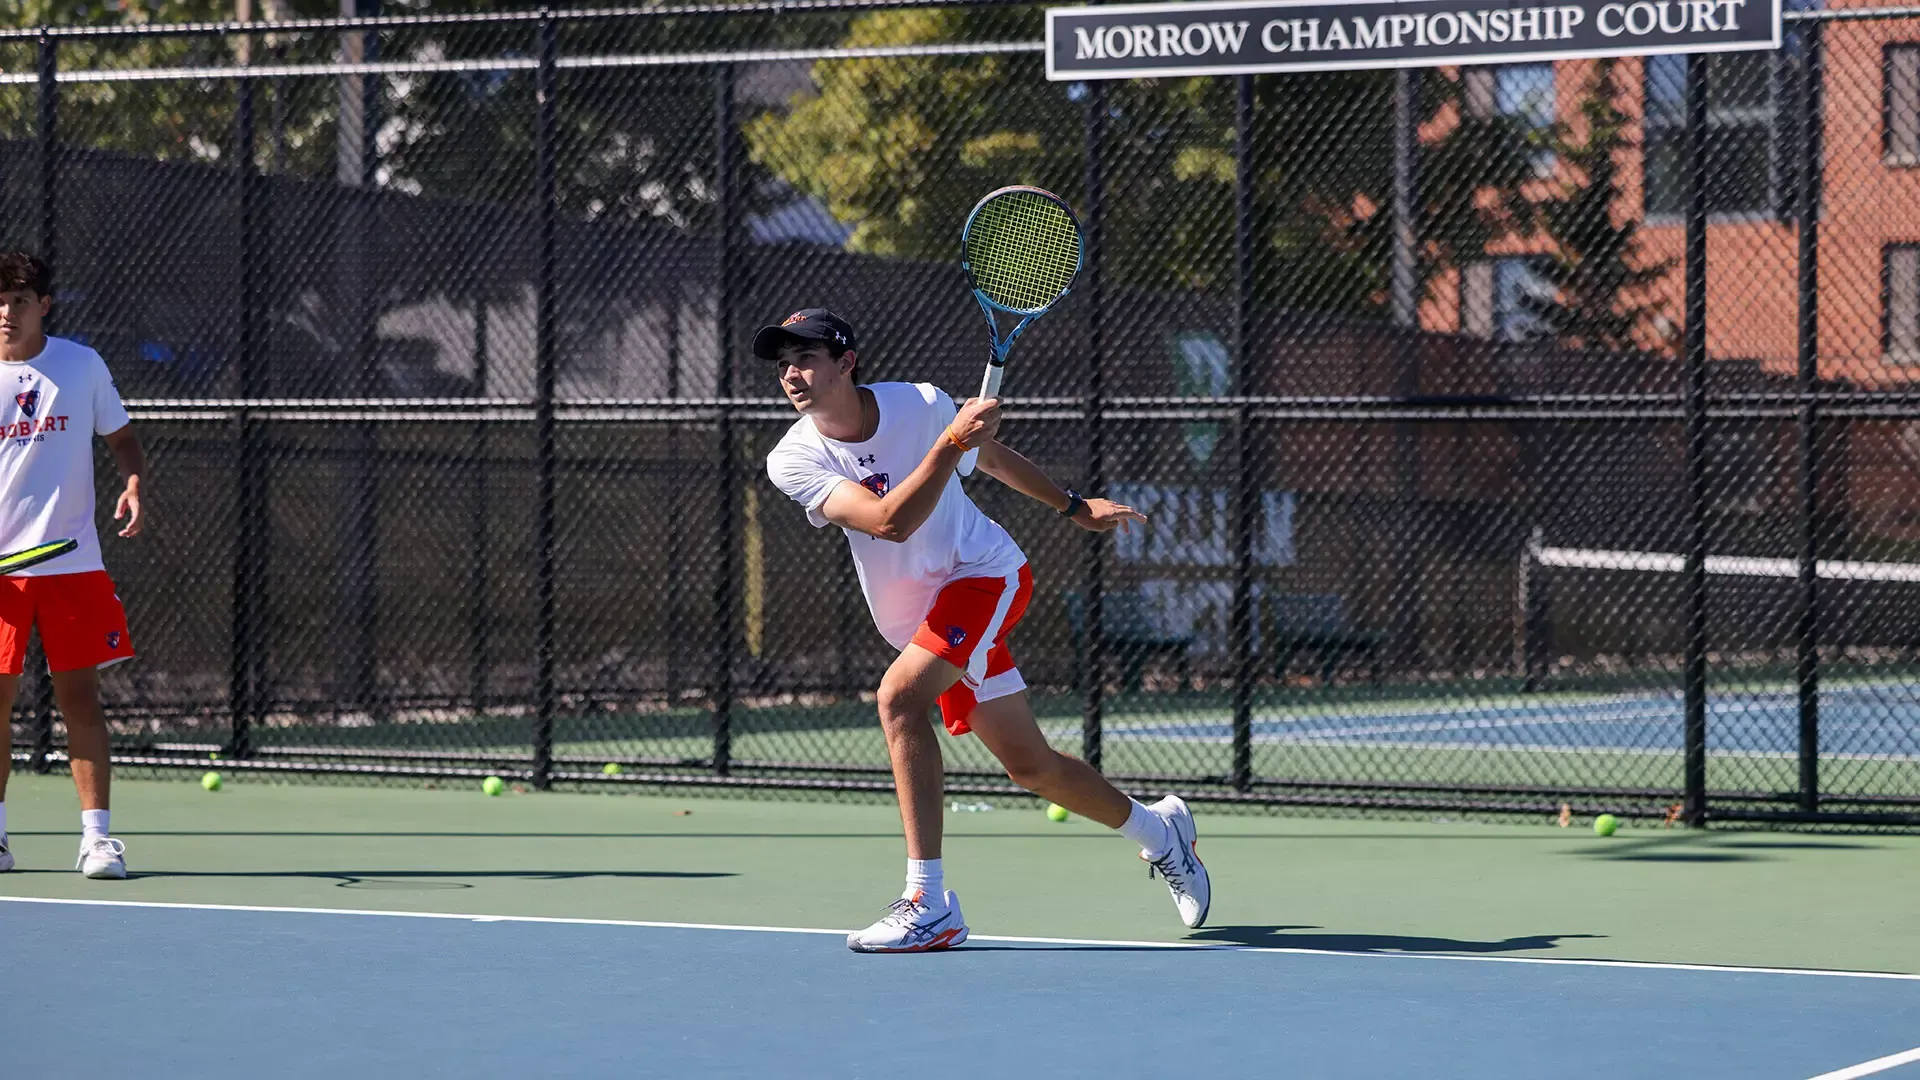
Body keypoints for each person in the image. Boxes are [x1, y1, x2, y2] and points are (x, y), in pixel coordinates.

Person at [760, 308, 1210, 953]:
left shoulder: (920, 404)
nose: (791, 375)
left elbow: (990, 459)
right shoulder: (793, 458)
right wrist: (951, 443)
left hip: (982, 576)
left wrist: (1073, 506)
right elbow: (889, 522)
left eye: (805, 358)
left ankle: (929, 903)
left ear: (846, 362)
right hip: (921, 620)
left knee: (898, 700)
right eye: (783, 364)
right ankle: (1160, 832)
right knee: (1031, 766)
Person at [0, 252, 147, 881]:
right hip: (3, 578)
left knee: (79, 699)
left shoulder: (81, 365)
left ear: (43, 306)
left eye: (18, 301)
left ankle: (96, 840)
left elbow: (123, 439)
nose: (6, 313)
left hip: (71, 565)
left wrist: (133, 484)